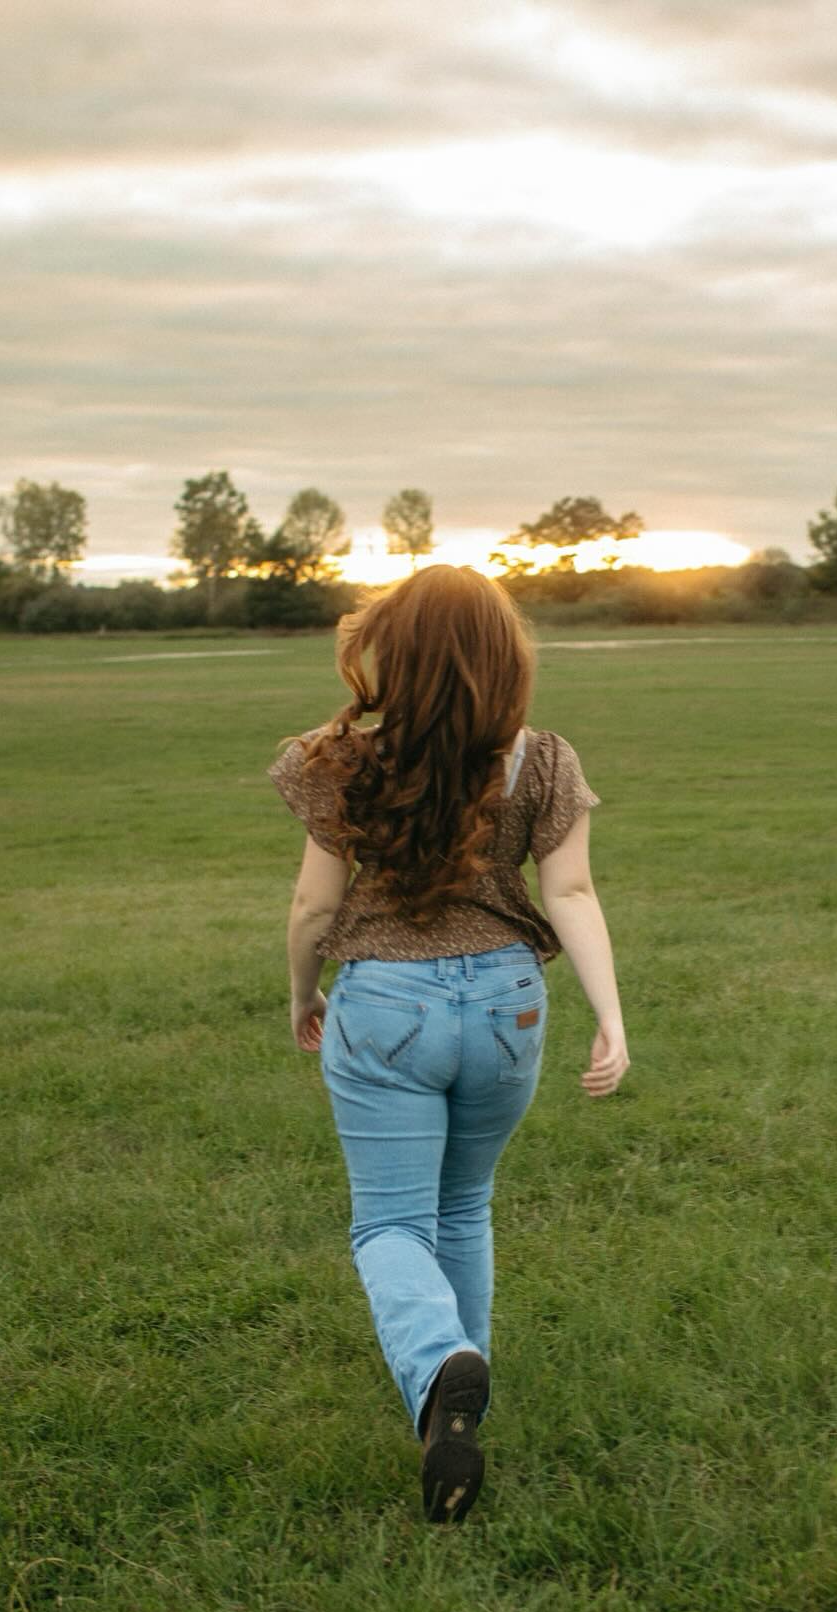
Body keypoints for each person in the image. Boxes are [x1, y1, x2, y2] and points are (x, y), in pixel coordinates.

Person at [268, 564, 628, 1524]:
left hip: (386, 1006)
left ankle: (440, 1366)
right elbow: (571, 892)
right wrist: (610, 1015)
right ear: (503, 657)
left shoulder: (343, 760)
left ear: (398, 653)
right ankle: (455, 1415)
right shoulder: (543, 759)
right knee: (463, 1205)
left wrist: (303, 995)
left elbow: (313, 907)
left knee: (390, 1224)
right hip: (509, 1006)